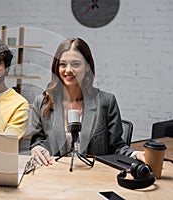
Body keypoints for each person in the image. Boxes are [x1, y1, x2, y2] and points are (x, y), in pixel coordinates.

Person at [29, 38, 145, 166]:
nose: (68, 70)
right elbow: (37, 142)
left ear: (87, 67)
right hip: (55, 175)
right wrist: (36, 149)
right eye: (63, 64)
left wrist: (135, 154)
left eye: (75, 64)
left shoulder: (106, 102)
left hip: (94, 176)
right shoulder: (43, 102)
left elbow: (116, 147)